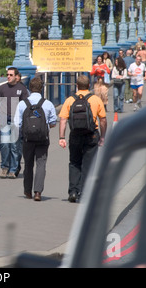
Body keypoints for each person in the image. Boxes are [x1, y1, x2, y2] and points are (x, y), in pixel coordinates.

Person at [58, 75, 107, 203]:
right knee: (89, 165)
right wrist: (102, 137)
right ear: (89, 86)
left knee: (74, 162)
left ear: (77, 86)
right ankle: (84, 193)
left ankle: (73, 191)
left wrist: (61, 137)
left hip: (75, 135)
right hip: (91, 135)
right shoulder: (96, 99)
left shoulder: (70, 100)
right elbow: (103, 120)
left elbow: (63, 120)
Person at [14, 77, 56, 201]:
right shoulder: (47, 104)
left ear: (30, 89)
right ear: (41, 89)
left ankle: (27, 191)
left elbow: (17, 123)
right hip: (43, 138)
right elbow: (53, 122)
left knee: (28, 164)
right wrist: (44, 127)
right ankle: (37, 192)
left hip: (27, 139)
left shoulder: (23, 103)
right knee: (41, 164)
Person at [0, 67, 29, 179]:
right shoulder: (2, 88)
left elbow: (25, 106)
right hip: (4, 118)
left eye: (11, 75)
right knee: (4, 145)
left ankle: (13, 169)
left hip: (16, 120)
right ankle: (4, 167)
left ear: (16, 77)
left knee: (15, 146)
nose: (8, 77)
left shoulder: (22, 89)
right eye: (7, 75)